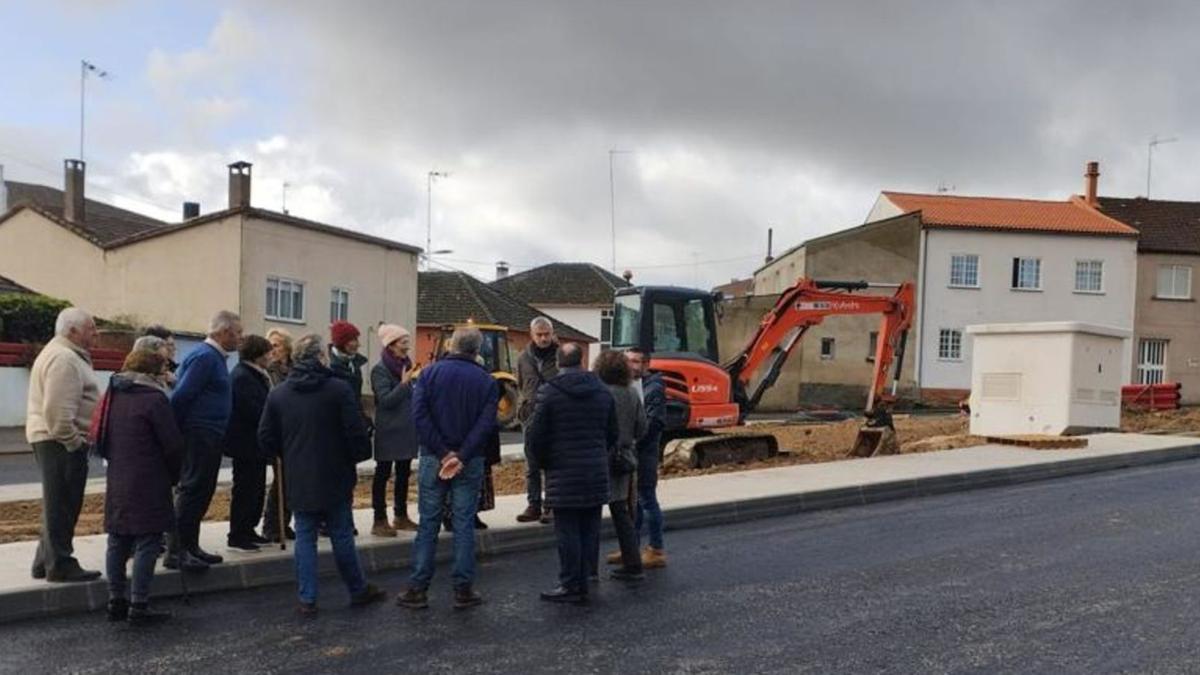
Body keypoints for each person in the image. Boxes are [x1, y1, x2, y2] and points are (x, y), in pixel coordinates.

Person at [257, 334, 385, 616]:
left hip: (298, 473)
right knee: (340, 533)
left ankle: (307, 598)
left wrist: (286, 453)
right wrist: (357, 455)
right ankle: (357, 588)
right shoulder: (337, 390)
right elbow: (355, 431)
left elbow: (265, 437)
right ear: (320, 358)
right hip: (336, 472)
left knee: (304, 536)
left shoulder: (279, 394)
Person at [396, 327, 498, 611]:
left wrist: (442, 453)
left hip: (433, 456)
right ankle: (463, 589)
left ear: (452, 345)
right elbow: (486, 424)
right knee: (464, 523)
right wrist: (461, 455)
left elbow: (419, 415)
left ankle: (418, 587)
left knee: (428, 522)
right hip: (470, 460)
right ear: (478, 350)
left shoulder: (429, 374)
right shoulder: (487, 381)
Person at [96, 350, 183, 625]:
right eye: (163, 370)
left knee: (117, 538)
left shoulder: (112, 394)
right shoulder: (154, 399)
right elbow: (172, 445)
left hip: (118, 475)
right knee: (148, 539)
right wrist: (175, 475)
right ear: (153, 372)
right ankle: (139, 604)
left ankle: (115, 600)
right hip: (150, 477)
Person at [526, 343, 618, 604]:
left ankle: (570, 584)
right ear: (582, 360)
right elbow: (612, 433)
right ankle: (586, 577)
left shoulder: (549, 392)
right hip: (595, 470)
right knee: (589, 529)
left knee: (567, 532)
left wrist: (545, 463)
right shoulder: (602, 391)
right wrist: (599, 455)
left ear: (558, 361)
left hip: (563, 472)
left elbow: (536, 436)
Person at [27, 307, 102, 583]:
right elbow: (57, 412)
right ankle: (60, 563)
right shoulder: (64, 359)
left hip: (54, 439)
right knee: (63, 503)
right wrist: (73, 442)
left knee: (56, 502)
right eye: (91, 328)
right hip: (59, 441)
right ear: (73, 331)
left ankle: (44, 560)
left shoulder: (66, 355)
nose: (96, 334)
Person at [167, 310, 241, 571]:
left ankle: (190, 545)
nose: (240, 338)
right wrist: (178, 432)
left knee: (202, 490)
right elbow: (182, 396)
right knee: (192, 489)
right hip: (199, 433)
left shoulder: (213, 358)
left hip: (209, 433)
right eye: (237, 333)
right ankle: (177, 550)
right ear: (223, 332)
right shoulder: (205, 358)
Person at [595, 350, 647, 582]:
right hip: (623, 459)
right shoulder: (632, 394)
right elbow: (642, 428)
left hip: (599, 458)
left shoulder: (599, 393)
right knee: (621, 512)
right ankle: (633, 563)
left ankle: (589, 569)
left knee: (592, 513)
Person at [224, 335, 273, 551]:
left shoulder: (256, 375)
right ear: (258, 355)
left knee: (256, 488)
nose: (271, 357)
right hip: (245, 444)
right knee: (245, 489)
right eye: (268, 353)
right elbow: (254, 410)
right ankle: (238, 533)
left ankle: (249, 529)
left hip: (255, 444)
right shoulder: (243, 377)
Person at [369, 324, 418, 537]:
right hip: (389, 431)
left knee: (404, 474)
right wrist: (405, 384)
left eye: (407, 341)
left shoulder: (407, 365)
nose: (407, 346)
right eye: (403, 342)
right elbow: (386, 401)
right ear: (391, 345)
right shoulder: (380, 370)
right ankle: (379, 519)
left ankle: (401, 515)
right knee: (382, 474)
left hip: (406, 430)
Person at [627, 347, 668, 569]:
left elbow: (653, 424)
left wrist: (634, 442)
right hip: (633, 452)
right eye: (628, 361)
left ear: (646, 365)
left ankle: (656, 549)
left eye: (635, 361)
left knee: (647, 499)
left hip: (645, 454)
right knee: (635, 503)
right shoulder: (632, 385)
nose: (630, 365)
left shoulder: (654, 388)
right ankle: (631, 548)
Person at [515, 316, 559, 524]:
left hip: (555, 416)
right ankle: (534, 504)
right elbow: (521, 384)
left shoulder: (561, 356)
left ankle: (551, 505)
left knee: (552, 462)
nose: (543, 338)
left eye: (546, 334)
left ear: (552, 333)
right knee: (531, 464)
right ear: (531, 335)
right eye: (539, 335)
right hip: (531, 416)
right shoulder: (523, 358)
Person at [262, 328, 295, 543]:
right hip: (277, 429)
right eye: (270, 345)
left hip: (293, 430)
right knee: (280, 481)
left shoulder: (294, 369)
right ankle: (272, 525)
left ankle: (284, 521)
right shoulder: (268, 371)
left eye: (277, 345)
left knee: (291, 481)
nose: (273, 350)